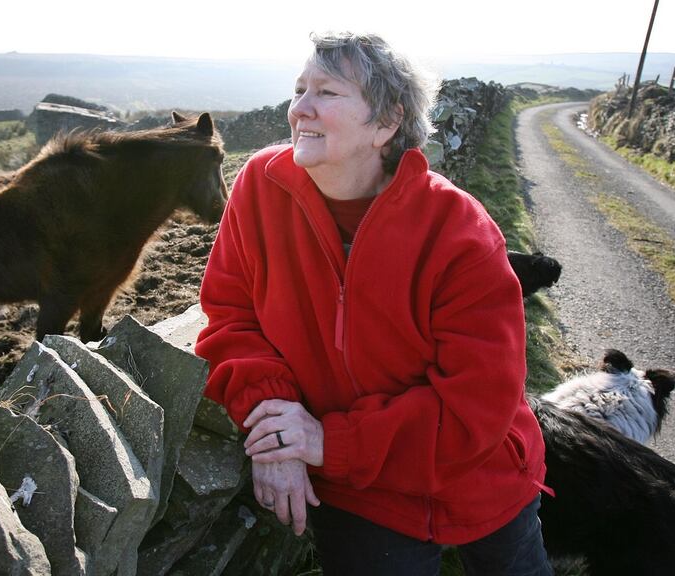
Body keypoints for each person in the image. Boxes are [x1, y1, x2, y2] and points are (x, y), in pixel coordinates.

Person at [195, 31, 553, 576]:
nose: (300, 108)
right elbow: (231, 316)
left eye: (327, 92)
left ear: (387, 122)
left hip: (481, 475)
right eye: (299, 89)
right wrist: (276, 431)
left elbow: (475, 404)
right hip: (363, 494)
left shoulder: (459, 232)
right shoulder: (261, 189)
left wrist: (327, 441)